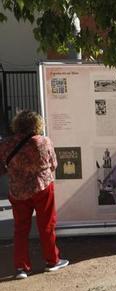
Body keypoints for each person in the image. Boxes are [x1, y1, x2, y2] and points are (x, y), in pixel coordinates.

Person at [0, 111, 69, 279]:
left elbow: (2, 169)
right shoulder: (43, 141)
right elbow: (54, 164)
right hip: (42, 187)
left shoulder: (5, 144)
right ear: (37, 124)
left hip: (18, 190)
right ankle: (52, 261)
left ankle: (21, 268)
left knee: (20, 229)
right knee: (46, 224)